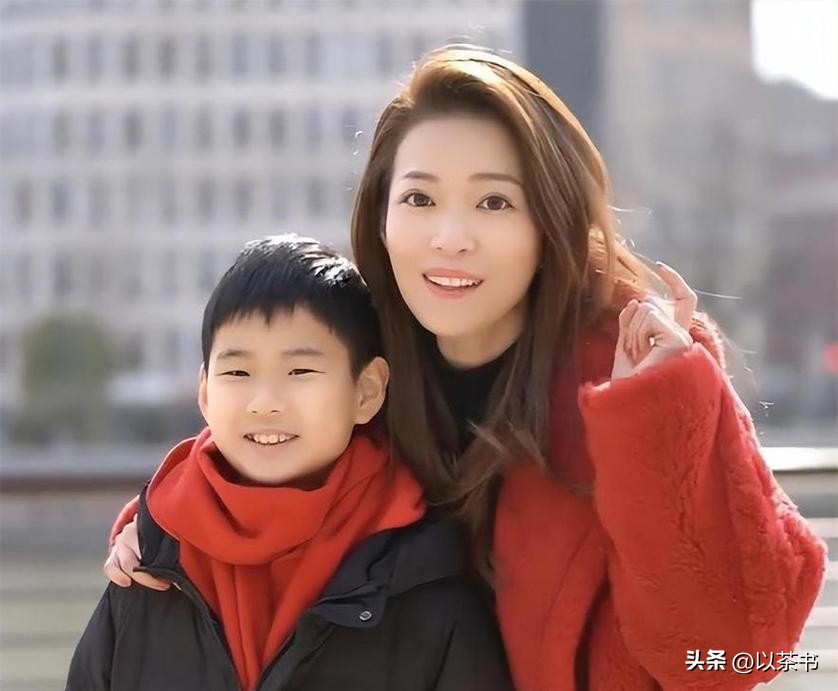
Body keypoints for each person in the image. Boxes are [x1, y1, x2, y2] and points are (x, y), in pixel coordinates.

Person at [104, 48, 827, 689]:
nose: (450, 237)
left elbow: (734, 653)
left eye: (494, 201)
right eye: (419, 198)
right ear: (381, 219)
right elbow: (263, 458)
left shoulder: (644, 369)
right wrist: (166, 527)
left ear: (549, 223)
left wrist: (658, 422)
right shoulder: (365, 374)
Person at [67, 235, 512, 691]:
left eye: (300, 371)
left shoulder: (426, 583)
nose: (265, 403)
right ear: (205, 393)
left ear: (366, 391)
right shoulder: (147, 567)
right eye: (237, 372)